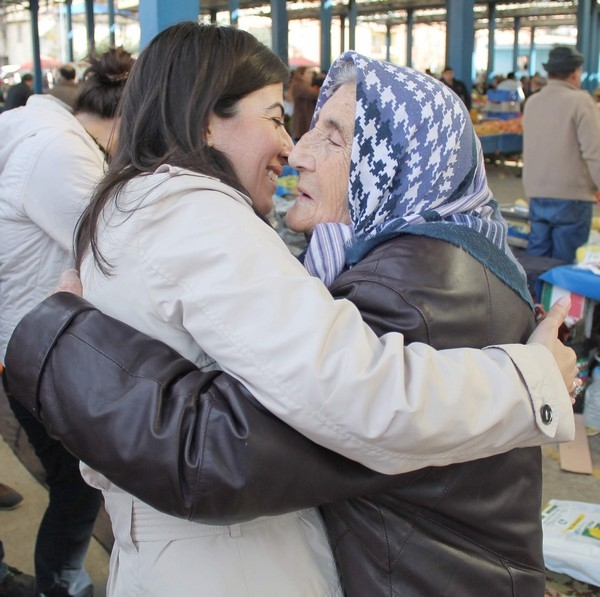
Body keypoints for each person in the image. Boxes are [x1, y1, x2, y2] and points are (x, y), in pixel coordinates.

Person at [6, 51, 579, 596]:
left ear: (399, 163)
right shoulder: (406, 259)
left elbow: (228, 454)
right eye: (298, 124)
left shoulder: (414, 289)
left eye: (333, 136)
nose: (299, 151)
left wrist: (63, 347)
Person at [0, 48, 134, 597]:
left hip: (24, 339)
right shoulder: (63, 155)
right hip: (34, 348)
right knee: (76, 489)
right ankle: (64, 585)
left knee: (73, 484)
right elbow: (116, 254)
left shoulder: (43, 130)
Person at [523, 46, 600, 263]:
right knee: (562, 270)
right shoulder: (581, 101)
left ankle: (532, 297)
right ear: (575, 73)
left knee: (536, 264)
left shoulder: (532, 102)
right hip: (571, 198)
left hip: (537, 195)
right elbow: (594, 152)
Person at [289, 65, 319, 140]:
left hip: (303, 124)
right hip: (302, 124)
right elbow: (313, 95)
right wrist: (326, 88)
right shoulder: (300, 86)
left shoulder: (303, 86)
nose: (311, 75)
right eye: (308, 73)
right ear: (301, 75)